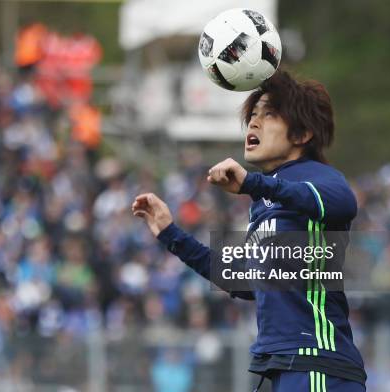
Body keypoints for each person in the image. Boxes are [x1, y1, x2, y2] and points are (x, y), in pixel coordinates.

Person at [132, 70, 366, 391]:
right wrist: (170, 234)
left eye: (269, 114)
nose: (253, 123)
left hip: (316, 363)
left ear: (302, 134)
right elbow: (245, 282)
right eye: (252, 115)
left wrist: (253, 184)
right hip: (281, 366)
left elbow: (343, 202)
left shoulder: (318, 177)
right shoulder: (264, 201)